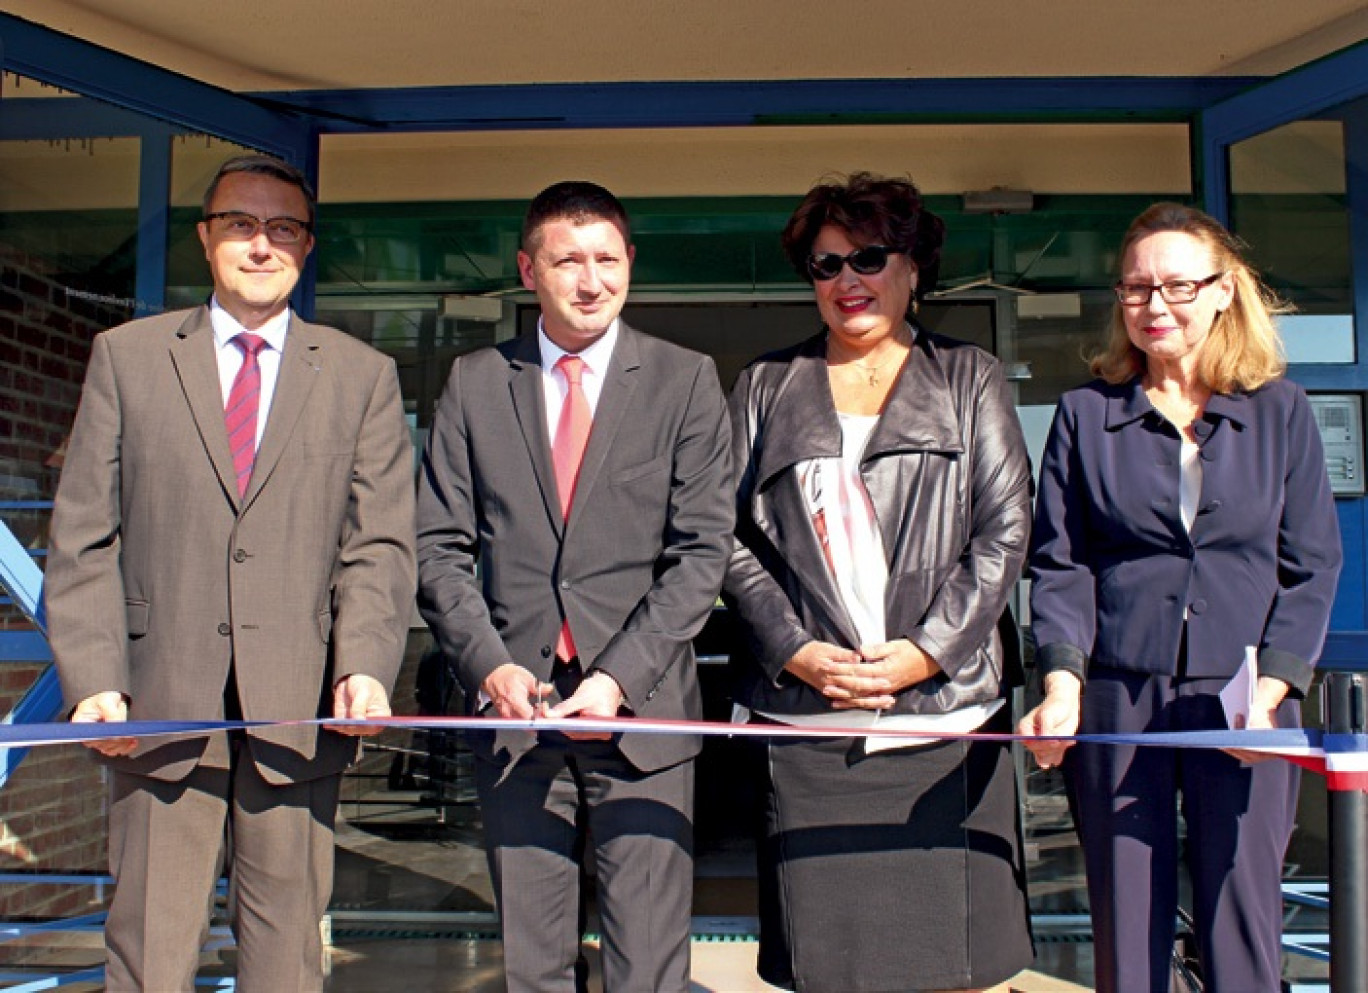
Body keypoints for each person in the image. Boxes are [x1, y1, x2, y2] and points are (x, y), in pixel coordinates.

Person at [45, 154, 417, 992]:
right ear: (207, 240)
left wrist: (363, 662)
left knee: (285, 960)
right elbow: (83, 534)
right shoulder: (128, 357)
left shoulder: (361, 376)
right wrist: (96, 678)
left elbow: (379, 542)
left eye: (282, 227)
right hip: (155, 705)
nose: (262, 243)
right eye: (241, 225)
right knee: (147, 956)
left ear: (307, 246)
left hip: (297, 709)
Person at [416, 181, 732, 992]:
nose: (590, 280)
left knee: (648, 967)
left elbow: (701, 553)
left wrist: (617, 674)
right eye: (567, 260)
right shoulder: (476, 382)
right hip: (516, 714)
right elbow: (438, 547)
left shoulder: (684, 379)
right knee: (533, 965)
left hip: (644, 712)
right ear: (529, 269)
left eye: (607, 259)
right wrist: (489, 665)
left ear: (631, 264)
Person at [724, 172, 1035, 993]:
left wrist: (928, 652)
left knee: (954, 967)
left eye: (868, 257)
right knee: (832, 967)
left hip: (946, 723)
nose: (847, 281)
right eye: (826, 266)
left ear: (912, 268)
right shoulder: (765, 384)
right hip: (808, 725)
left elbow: (1004, 531)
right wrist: (793, 650)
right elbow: (721, 538)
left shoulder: (970, 377)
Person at [1020, 202, 1342, 992]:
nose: (1154, 306)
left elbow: (1313, 567)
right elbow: (1061, 564)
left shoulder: (1282, 412)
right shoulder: (1085, 417)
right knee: (1128, 921)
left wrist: (1271, 689)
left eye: (1176, 286)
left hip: (1248, 701)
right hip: (1120, 698)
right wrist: (1062, 682)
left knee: (1242, 912)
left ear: (1225, 291)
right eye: (1135, 288)